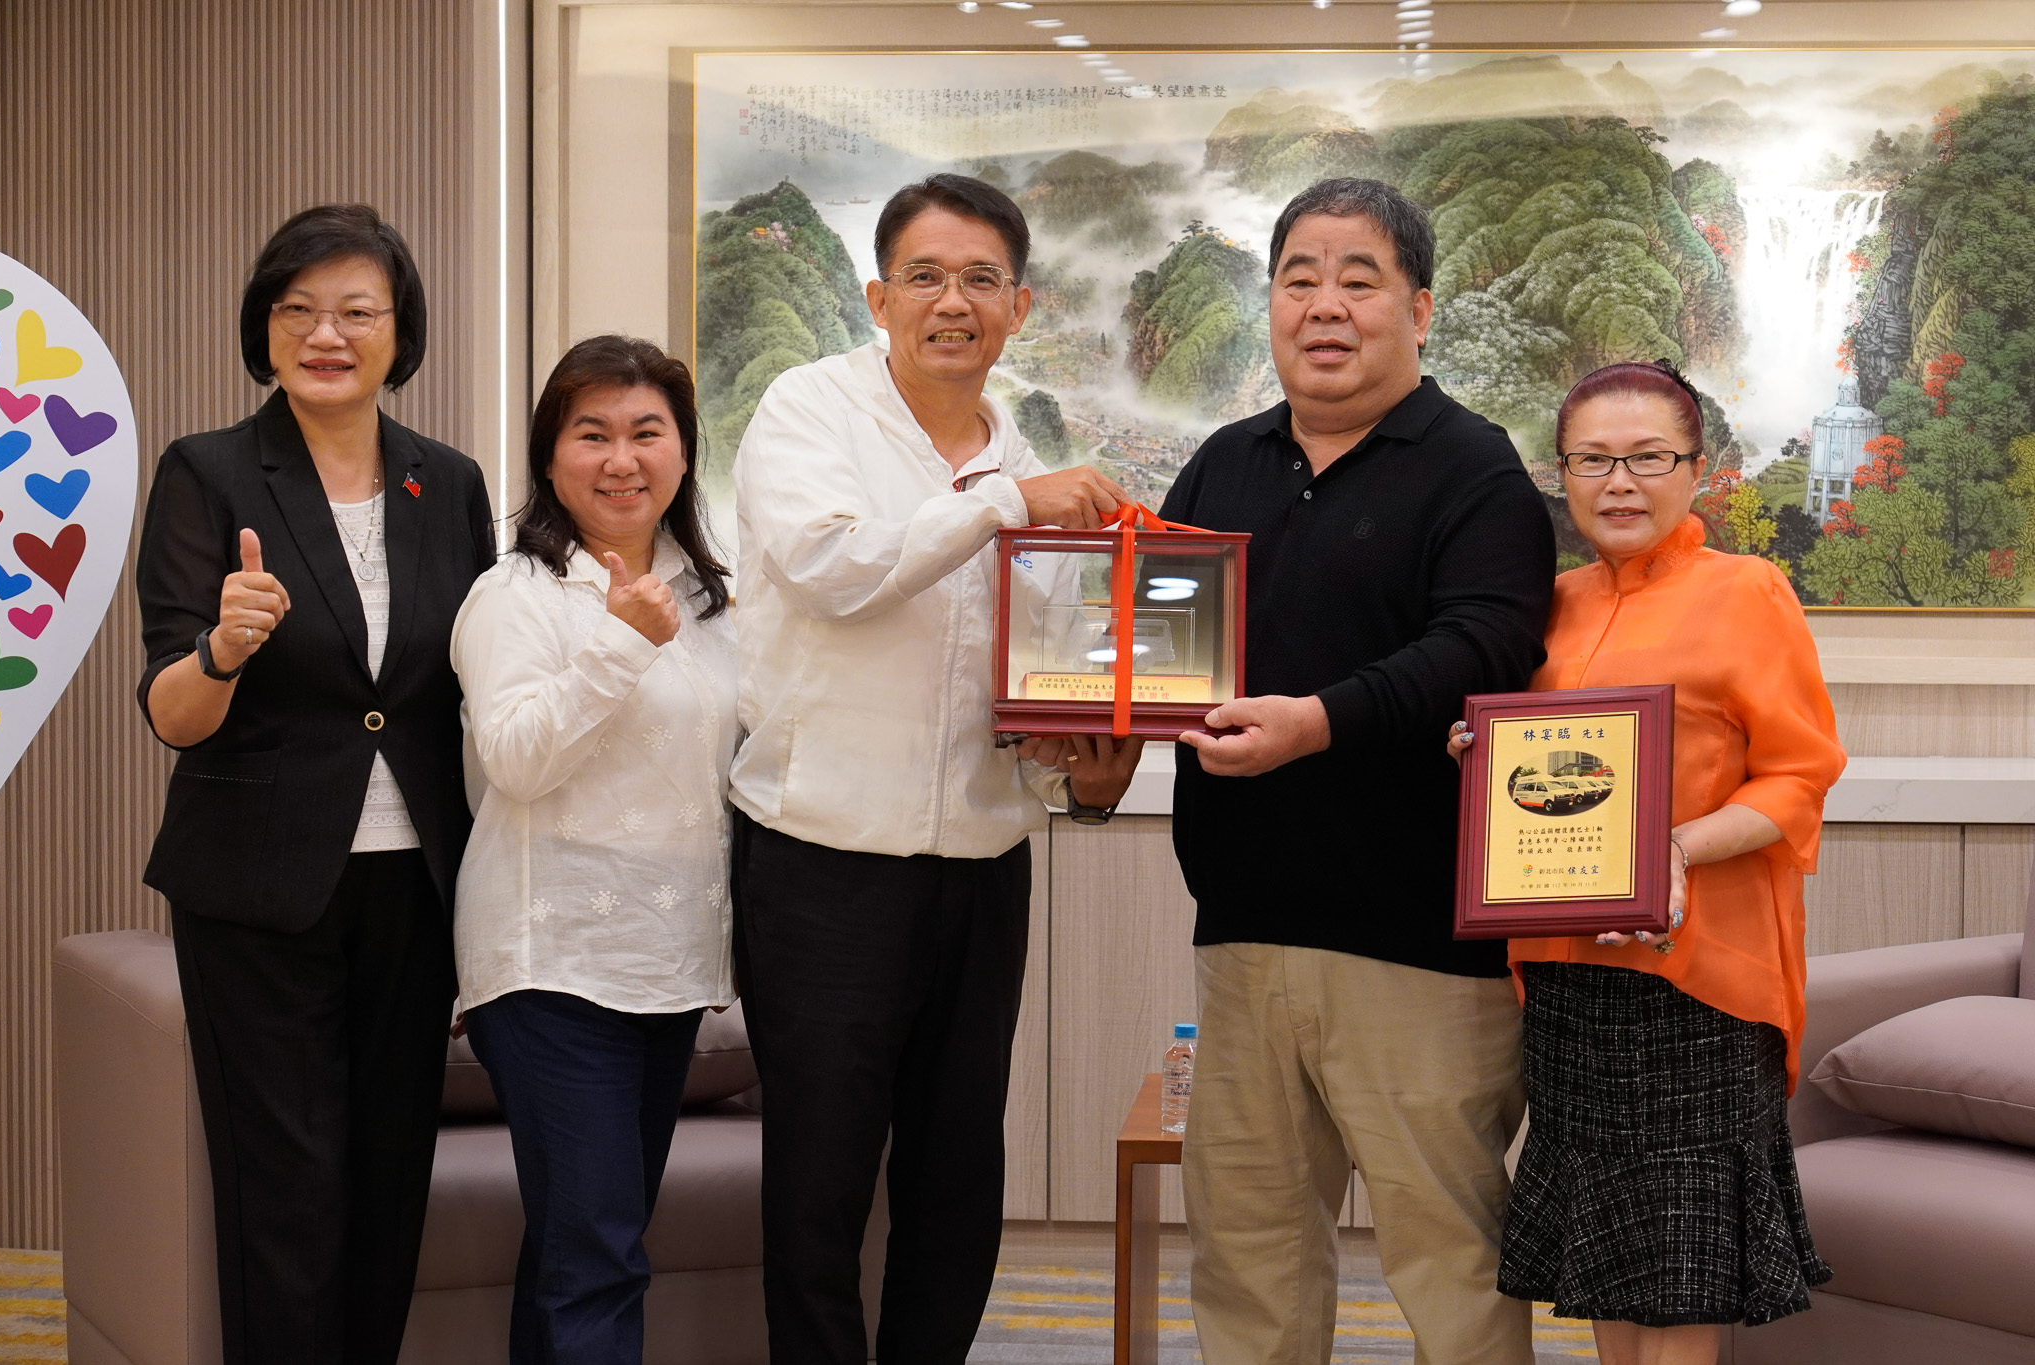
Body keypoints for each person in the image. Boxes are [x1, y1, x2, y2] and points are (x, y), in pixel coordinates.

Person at [730, 172, 1144, 1362]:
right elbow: (834, 571)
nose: (950, 302)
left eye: (978, 279)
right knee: (817, 1184)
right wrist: (1003, 504)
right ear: (878, 298)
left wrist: (1089, 779)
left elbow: (1039, 682)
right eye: (923, 276)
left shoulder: (1028, 457)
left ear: (1020, 306)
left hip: (980, 864)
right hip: (820, 861)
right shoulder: (807, 412)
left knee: (958, 1177)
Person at [1158, 178, 1556, 1365]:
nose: (1323, 305)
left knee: (1450, 1270)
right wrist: (1089, 748)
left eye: (1357, 279)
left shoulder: (1474, 469)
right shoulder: (1218, 465)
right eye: (1298, 279)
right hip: (1241, 937)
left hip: (1420, 950)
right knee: (1249, 1268)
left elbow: (1483, 646)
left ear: (1418, 309)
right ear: (1269, 304)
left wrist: (1314, 724)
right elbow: (1157, 653)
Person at [134, 204, 495, 1362]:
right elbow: (170, 713)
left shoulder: (450, 482)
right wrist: (222, 648)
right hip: (260, 892)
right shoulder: (207, 472)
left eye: (354, 312)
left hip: (415, 888)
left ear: (400, 333)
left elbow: (476, 683)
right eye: (297, 310)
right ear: (264, 328)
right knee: (283, 1196)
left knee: (389, 1183)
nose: (324, 334)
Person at [1448, 360, 1845, 1365]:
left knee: (1677, 1281)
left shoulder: (1747, 592)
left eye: (1647, 458)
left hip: (1695, 980)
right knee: (1611, 1266)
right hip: (1567, 975)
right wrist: (1479, 754)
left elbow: (1798, 776)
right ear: (1562, 474)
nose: (1618, 482)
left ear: (1695, 470)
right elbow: (1543, 780)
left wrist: (1672, 848)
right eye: (1592, 460)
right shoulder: (1548, 604)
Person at [450, 335, 735, 1363]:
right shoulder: (514, 594)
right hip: (551, 964)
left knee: (578, 1249)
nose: (622, 459)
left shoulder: (708, 597)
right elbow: (517, 760)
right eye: (592, 434)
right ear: (549, 455)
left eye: (646, 432)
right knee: (600, 1256)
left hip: (668, 966)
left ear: (683, 452)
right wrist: (621, 643)